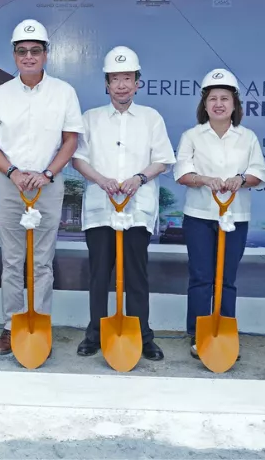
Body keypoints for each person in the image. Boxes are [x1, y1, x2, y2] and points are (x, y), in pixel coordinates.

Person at [0, 18, 84, 355]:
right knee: (11, 260)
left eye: (34, 51)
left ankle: (39, 324)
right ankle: (11, 327)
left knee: (41, 261)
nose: (28, 57)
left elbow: (70, 141)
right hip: (10, 185)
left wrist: (48, 174)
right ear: (14, 55)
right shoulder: (0, 94)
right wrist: (12, 172)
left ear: (45, 54)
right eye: (22, 51)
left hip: (47, 186)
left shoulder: (64, 92)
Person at [72, 46, 174, 361]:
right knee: (99, 274)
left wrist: (138, 179)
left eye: (127, 78)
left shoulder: (151, 118)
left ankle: (143, 336)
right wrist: (101, 180)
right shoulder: (90, 118)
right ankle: (95, 334)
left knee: (136, 274)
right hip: (101, 209)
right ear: (106, 84)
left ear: (137, 83)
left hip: (137, 208)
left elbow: (163, 161)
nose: (121, 85)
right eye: (115, 79)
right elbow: (78, 160)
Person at [174, 68, 265, 359]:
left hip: (235, 215)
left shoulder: (247, 137)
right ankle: (198, 333)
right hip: (199, 215)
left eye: (224, 98)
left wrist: (240, 180)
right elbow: (182, 172)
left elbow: (258, 172)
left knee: (226, 277)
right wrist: (205, 179)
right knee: (201, 275)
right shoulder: (192, 135)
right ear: (204, 104)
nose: (218, 104)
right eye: (212, 98)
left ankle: (225, 332)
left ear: (235, 104)